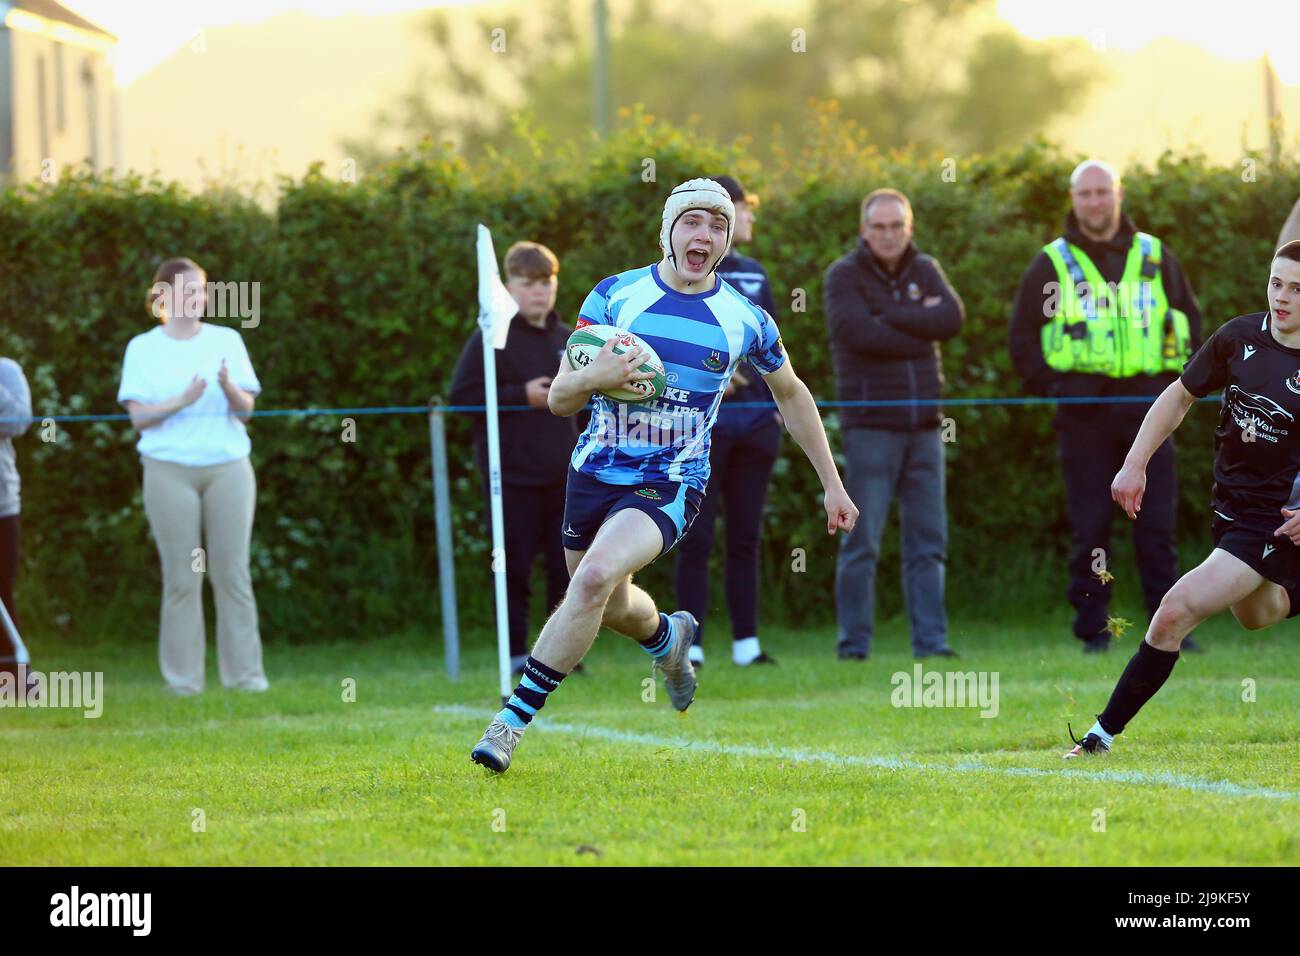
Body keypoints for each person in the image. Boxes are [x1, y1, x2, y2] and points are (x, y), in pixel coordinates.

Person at [469, 179, 859, 773]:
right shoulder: (613, 296)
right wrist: (595, 375)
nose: (704, 235)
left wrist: (831, 482)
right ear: (669, 231)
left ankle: (510, 723)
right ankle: (668, 640)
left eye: (718, 226)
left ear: (727, 240)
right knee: (610, 601)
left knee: (594, 578)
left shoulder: (744, 319)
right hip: (594, 472)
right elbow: (561, 400)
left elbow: (792, 393)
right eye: (693, 222)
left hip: (671, 481)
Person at [1066, 240, 1300, 757]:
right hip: (1231, 515)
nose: (1282, 297)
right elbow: (1179, 395)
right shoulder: (1239, 337)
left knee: (1174, 611)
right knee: (1259, 613)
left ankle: (1100, 737)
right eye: (1276, 282)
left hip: (1271, 520)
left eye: (1297, 288)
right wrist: (1134, 462)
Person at [1010, 159, 1204, 654]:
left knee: (1157, 524)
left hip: (1150, 411)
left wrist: (1179, 387)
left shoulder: (1156, 256)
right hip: (1084, 416)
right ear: (1073, 200)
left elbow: (1191, 323)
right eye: (1085, 193)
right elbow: (1022, 339)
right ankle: (1094, 629)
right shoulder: (1051, 262)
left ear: (1119, 195)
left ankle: (1170, 627)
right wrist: (1055, 391)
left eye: (1103, 192)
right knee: (1091, 523)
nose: (1095, 202)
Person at [117, 257, 268, 695]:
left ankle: (246, 679)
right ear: (162, 296)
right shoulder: (142, 348)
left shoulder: (227, 340)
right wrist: (181, 400)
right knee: (182, 578)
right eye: (186, 290)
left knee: (232, 573)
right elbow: (139, 420)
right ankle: (182, 683)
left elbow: (246, 412)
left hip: (227, 468)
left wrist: (227, 386)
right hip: (168, 470)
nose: (196, 298)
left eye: (201, 290)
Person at [824, 188, 963, 661]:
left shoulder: (926, 268)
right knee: (862, 541)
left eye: (896, 226)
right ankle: (854, 647)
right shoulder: (842, 276)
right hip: (870, 428)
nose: (888, 235)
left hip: (926, 425)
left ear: (910, 228)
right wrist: (918, 327)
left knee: (929, 542)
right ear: (865, 230)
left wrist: (891, 318)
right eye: (879, 227)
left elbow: (951, 318)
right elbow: (857, 332)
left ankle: (932, 643)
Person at [449, 241, 583, 674]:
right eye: (528, 284)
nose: (539, 293)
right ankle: (515, 653)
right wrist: (520, 396)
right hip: (511, 477)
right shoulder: (491, 339)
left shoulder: (571, 341)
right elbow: (463, 401)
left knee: (568, 571)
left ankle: (561, 658)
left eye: (546, 283)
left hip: (566, 476)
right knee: (515, 569)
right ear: (509, 286)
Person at [674, 174, 781, 668]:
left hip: (756, 425)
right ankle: (689, 641)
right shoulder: (680, 279)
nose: (750, 216)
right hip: (703, 431)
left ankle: (747, 644)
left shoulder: (756, 275)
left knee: (745, 536)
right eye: (743, 206)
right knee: (694, 535)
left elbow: (774, 353)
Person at [0, 354, 33, 680]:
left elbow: (17, 422)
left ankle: (12, 677)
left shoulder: (6, 371)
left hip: (1, 502)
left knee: (2, 587)